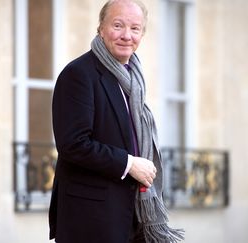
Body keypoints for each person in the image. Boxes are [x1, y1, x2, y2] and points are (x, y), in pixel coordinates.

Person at [49, 0, 184, 242]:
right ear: (100, 28)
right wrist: (130, 164)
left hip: (135, 216)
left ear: (142, 33)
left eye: (135, 28)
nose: (126, 36)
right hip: (92, 220)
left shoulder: (134, 78)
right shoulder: (79, 74)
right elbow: (73, 145)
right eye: (118, 25)